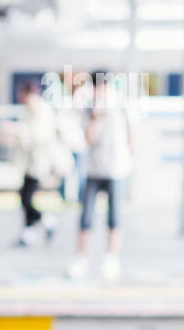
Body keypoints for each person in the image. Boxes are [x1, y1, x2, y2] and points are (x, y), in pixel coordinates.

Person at [68, 71, 134, 282]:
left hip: (117, 169)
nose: (101, 90)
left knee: (115, 216)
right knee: (86, 216)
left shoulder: (123, 105)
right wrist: (95, 118)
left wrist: (131, 161)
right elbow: (88, 138)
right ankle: (81, 259)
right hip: (94, 170)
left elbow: (132, 134)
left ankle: (111, 259)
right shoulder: (89, 108)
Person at [11, 81, 73, 247]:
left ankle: (47, 221)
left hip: (40, 163)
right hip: (31, 162)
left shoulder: (42, 112)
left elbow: (38, 136)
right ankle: (29, 232)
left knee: (26, 198)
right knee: (25, 197)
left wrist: (18, 132)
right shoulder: (30, 111)